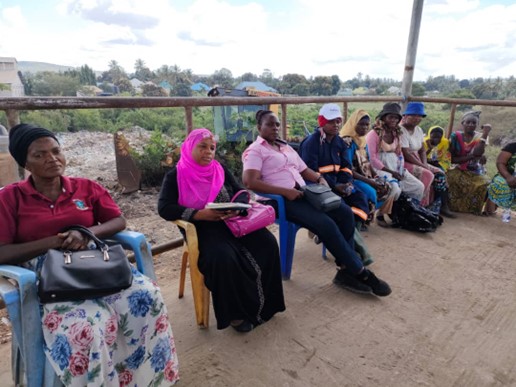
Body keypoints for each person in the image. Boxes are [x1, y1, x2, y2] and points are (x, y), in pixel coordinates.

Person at [0, 123, 179, 386]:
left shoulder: (85, 187)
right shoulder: (11, 198)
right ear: (25, 162)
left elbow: (118, 221)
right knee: (87, 327)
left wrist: (85, 232)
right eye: (39, 155)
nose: (52, 159)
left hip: (96, 262)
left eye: (55, 150)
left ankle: (149, 380)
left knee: (146, 297)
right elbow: (3, 252)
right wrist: (54, 241)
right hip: (48, 276)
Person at [242, 110, 391, 297]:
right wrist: (286, 192)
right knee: (325, 224)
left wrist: (319, 179)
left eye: (277, 124)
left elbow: (305, 170)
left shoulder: (285, 147)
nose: (275, 128)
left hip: (304, 194)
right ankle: (361, 273)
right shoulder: (256, 150)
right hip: (278, 201)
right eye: (270, 124)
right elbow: (250, 182)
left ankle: (345, 270)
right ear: (259, 127)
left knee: (344, 212)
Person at [158, 128, 285, 333]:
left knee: (267, 243)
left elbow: (241, 191)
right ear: (190, 147)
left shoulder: (219, 168)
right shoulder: (176, 176)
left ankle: (265, 305)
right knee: (223, 257)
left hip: (233, 221)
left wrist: (237, 206)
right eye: (202, 146)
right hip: (203, 228)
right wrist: (199, 214)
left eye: (212, 148)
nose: (208, 152)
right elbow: (164, 208)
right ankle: (235, 315)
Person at [298, 103, 370, 230]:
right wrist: (334, 186)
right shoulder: (311, 143)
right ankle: (340, 233)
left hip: (339, 184)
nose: (336, 124)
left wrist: (346, 183)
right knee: (339, 206)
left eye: (338, 121)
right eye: (331, 121)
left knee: (361, 198)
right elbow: (310, 172)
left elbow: (346, 167)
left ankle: (351, 228)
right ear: (322, 122)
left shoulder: (339, 142)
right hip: (318, 187)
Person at [366, 102, 424, 226]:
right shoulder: (374, 134)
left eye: (396, 117)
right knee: (394, 189)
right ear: (383, 118)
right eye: (390, 117)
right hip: (380, 167)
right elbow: (373, 159)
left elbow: (399, 153)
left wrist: (400, 169)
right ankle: (381, 214)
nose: (394, 120)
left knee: (418, 186)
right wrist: (391, 172)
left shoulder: (396, 133)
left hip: (396, 166)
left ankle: (405, 211)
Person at [340, 108, 399, 223]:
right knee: (371, 192)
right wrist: (371, 182)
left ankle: (367, 215)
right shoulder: (348, 142)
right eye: (361, 124)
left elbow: (368, 162)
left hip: (364, 176)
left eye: (367, 125)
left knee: (387, 187)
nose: (365, 128)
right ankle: (360, 218)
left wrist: (376, 176)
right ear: (353, 123)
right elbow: (348, 169)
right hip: (350, 177)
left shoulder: (363, 141)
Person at [400, 102, 455, 217]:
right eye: (413, 115)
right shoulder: (401, 130)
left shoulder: (419, 130)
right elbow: (405, 153)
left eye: (419, 116)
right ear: (405, 116)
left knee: (440, 174)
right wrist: (421, 165)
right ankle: (419, 206)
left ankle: (439, 205)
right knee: (427, 174)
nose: (417, 118)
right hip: (404, 161)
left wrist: (424, 163)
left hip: (417, 159)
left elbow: (422, 150)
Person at [447, 111, 491, 215]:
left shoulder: (481, 136)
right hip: (456, 167)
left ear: (477, 125)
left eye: (474, 123)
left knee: (483, 183)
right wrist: (471, 157)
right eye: (468, 122)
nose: (471, 125)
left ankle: (472, 209)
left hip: (474, 169)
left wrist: (485, 134)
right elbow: (452, 159)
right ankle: (454, 207)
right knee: (452, 179)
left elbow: (478, 152)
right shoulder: (455, 136)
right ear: (463, 123)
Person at [423, 125, 456, 217]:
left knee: (442, 177)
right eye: (434, 137)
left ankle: (443, 205)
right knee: (440, 176)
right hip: (425, 164)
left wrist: (440, 165)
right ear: (430, 135)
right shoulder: (424, 143)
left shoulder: (445, 143)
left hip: (439, 164)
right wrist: (430, 148)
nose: (436, 139)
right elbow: (421, 158)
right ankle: (437, 205)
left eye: (439, 137)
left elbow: (446, 157)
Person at [485, 142, 516, 215]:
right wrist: (508, 177)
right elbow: (500, 162)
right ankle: (490, 211)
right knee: (499, 183)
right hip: (506, 176)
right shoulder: (512, 146)